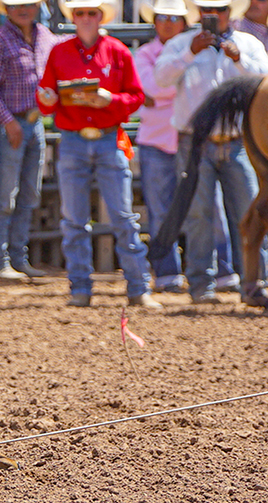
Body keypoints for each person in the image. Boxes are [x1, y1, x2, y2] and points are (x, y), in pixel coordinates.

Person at [37, 0, 161, 308]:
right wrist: (48, 98)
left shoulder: (118, 51)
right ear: (73, 17)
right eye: (80, 13)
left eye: (91, 12)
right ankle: (80, 288)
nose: (86, 18)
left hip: (107, 138)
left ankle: (137, 287)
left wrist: (111, 100)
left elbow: (136, 97)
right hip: (74, 140)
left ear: (100, 16)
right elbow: (46, 99)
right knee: (74, 219)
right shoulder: (59, 52)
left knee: (122, 217)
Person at [154, 0, 268, 303]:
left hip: (239, 141)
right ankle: (203, 285)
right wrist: (190, 53)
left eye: (219, 9)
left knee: (251, 208)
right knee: (199, 214)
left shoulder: (247, 44)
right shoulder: (182, 44)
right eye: (208, 10)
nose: (213, 15)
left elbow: (264, 79)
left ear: (230, 13)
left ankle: (255, 281)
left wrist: (240, 59)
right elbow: (160, 79)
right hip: (197, 141)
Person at [0, 0, 60, 280]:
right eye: (16, 5)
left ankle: (17, 257)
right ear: (7, 10)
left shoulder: (45, 37)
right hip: (11, 123)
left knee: (29, 194)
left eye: (28, 4)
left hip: (35, 123)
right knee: (5, 196)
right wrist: (8, 121)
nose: (23, 9)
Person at [134, 0, 192, 294]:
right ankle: (168, 273)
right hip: (158, 141)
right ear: (154, 21)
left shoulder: (193, 50)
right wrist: (181, 88)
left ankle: (206, 270)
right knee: (160, 211)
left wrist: (160, 93)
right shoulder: (145, 53)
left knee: (204, 209)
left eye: (174, 17)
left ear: (184, 22)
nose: (168, 23)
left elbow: (156, 91)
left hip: (188, 140)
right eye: (162, 17)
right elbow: (152, 88)